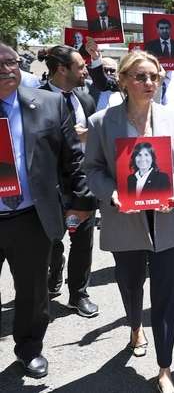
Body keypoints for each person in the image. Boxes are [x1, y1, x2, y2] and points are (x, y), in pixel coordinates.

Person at [83, 50, 174, 393]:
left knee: (165, 296)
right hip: (125, 220)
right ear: (124, 81)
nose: (149, 83)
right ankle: (134, 325)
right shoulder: (102, 121)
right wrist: (112, 194)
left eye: (154, 77)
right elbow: (93, 169)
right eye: (140, 77)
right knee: (131, 285)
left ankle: (164, 368)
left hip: (167, 221)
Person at [0, 42, 91, 379]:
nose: (7, 68)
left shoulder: (50, 104)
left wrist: (82, 203)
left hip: (29, 217)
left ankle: (28, 348)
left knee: (34, 292)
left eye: (11, 61)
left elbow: (72, 160)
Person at [38, 45, 100, 317]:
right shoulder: (34, 99)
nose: (85, 70)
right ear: (62, 69)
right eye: (80, 66)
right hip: (48, 186)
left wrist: (88, 137)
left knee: (83, 240)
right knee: (50, 240)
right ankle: (54, 270)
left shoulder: (85, 99)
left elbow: (96, 139)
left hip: (82, 182)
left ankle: (79, 294)